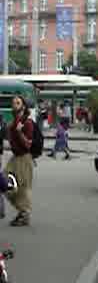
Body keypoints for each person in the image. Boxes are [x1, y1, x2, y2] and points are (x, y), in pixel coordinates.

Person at [5, 95, 35, 227]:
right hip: (15, 158)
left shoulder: (27, 122)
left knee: (21, 188)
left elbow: (28, 145)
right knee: (5, 183)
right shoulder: (14, 121)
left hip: (24, 158)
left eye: (17, 102)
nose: (14, 105)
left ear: (23, 106)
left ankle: (24, 213)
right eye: (13, 103)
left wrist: (19, 132)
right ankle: (23, 211)